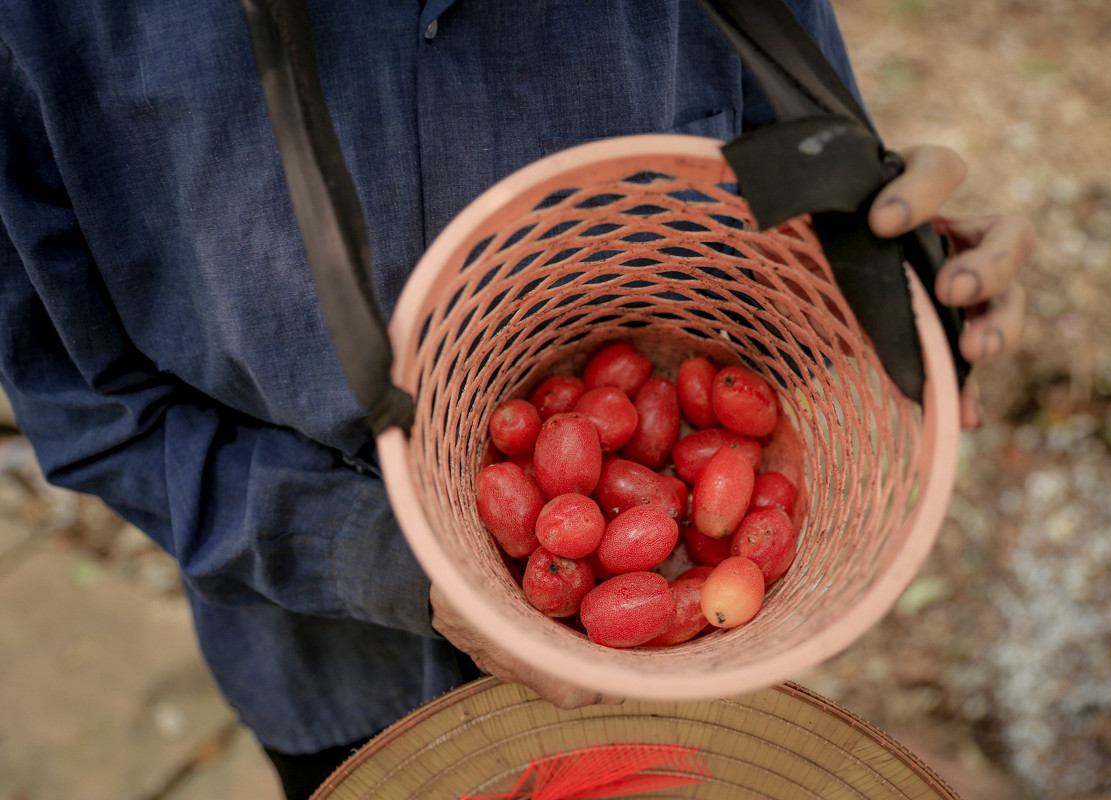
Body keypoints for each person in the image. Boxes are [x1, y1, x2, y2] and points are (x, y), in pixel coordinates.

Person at [0, 1, 1031, 797]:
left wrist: (899, 287)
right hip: (331, 679)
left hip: (685, 678)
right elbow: (92, 409)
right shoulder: (47, 25)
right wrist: (391, 556)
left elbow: (799, 222)